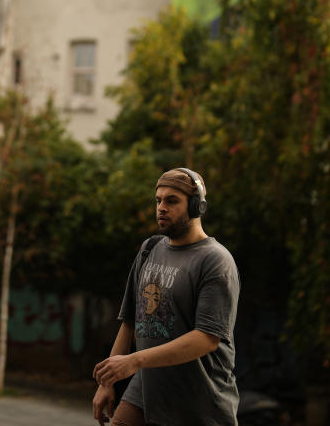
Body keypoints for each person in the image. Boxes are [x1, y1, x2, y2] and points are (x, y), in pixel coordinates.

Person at [92, 169, 240, 426]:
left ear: (196, 206)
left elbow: (206, 338)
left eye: (172, 201)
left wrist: (134, 360)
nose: (161, 207)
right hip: (146, 393)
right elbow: (130, 320)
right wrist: (108, 382)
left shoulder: (215, 261)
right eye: (158, 200)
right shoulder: (149, 249)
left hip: (197, 402)